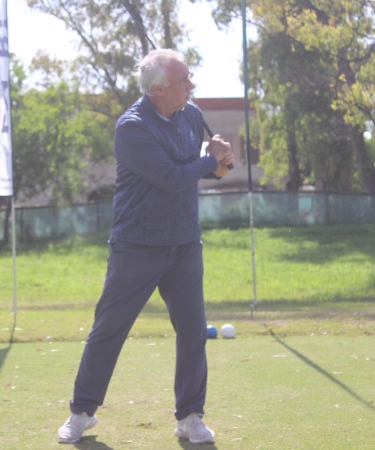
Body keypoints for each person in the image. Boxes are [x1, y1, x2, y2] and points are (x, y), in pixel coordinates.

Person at [57, 48, 234, 445]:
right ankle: (82, 413)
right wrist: (210, 160)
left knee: (193, 332)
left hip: (184, 244)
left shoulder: (191, 115)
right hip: (136, 246)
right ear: (158, 90)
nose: (191, 85)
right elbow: (170, 178)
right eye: (183, 80)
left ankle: (190, 417)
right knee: (109, 329)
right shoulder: (131, 127)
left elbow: (211, 172)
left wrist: (222, 161)